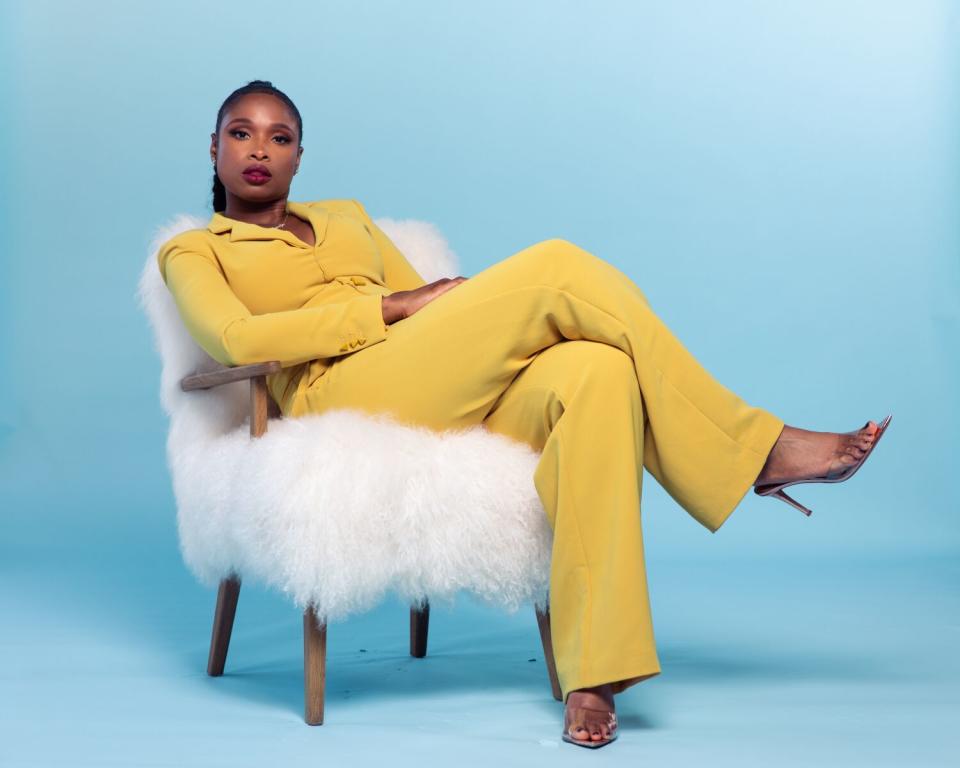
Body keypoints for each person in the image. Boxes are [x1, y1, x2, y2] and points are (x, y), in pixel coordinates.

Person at [156, 79, 890, 749]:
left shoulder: (347, 219)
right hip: (334, 395)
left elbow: (436, 302)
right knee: (558, 266)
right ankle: (754, 451)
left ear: (299, 156)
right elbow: (238, 338)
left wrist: (460, 313)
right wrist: (387, 307)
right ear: (215, 147)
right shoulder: (195, 250)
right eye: (242, 133)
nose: (259, 149)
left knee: (601, 371)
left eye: (279, 137)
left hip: (422, 377)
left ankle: (594, 673)